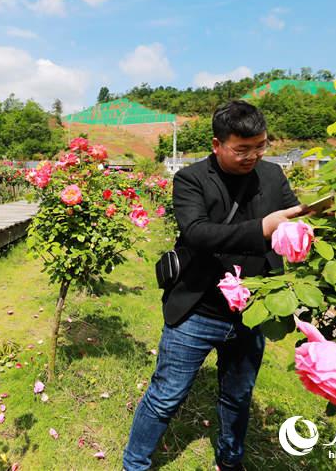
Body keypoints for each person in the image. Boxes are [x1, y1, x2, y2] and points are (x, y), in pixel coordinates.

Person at [123, 100, 306, 471]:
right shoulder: (191, 179)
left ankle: (230, 460)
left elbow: (291, 215)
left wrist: (304, 225)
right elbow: (197, 233)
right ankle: (135, 464)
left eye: (260, 146)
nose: (252, 156)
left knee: (239, 396)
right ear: (216, 144)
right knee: (167, 395)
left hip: (253, 309)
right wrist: (262, 228)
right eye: (242, 149)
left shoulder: (273, 176)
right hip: (198, 309)